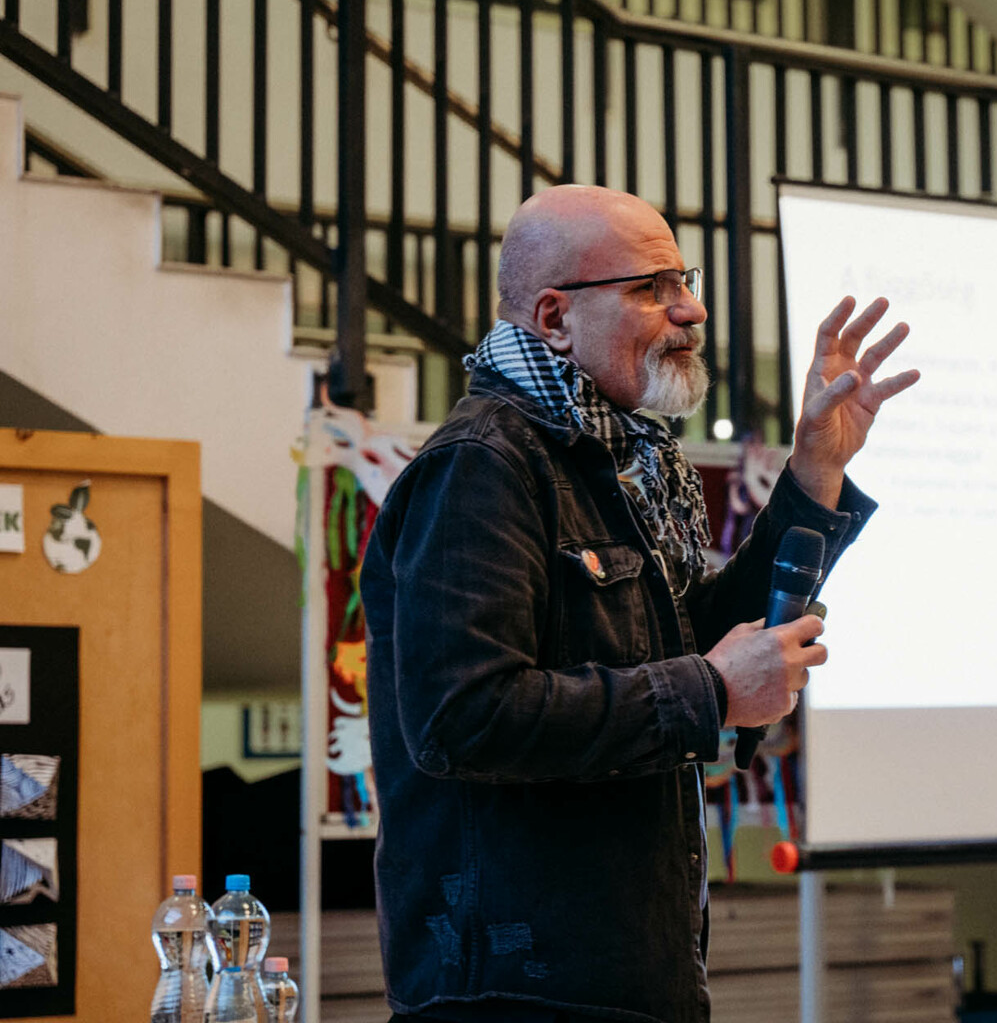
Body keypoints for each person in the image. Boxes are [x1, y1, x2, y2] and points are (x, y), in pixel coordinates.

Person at [360, 184, 919, 1023]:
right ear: (555, 318)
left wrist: (814, 473)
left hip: (628, 982)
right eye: (651, 288)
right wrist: (712, 690)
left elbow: (697, 642)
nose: (691, 310)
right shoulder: (483, 465)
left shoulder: (626, 462)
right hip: (518, 997)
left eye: (683, 281)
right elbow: (463, 717)